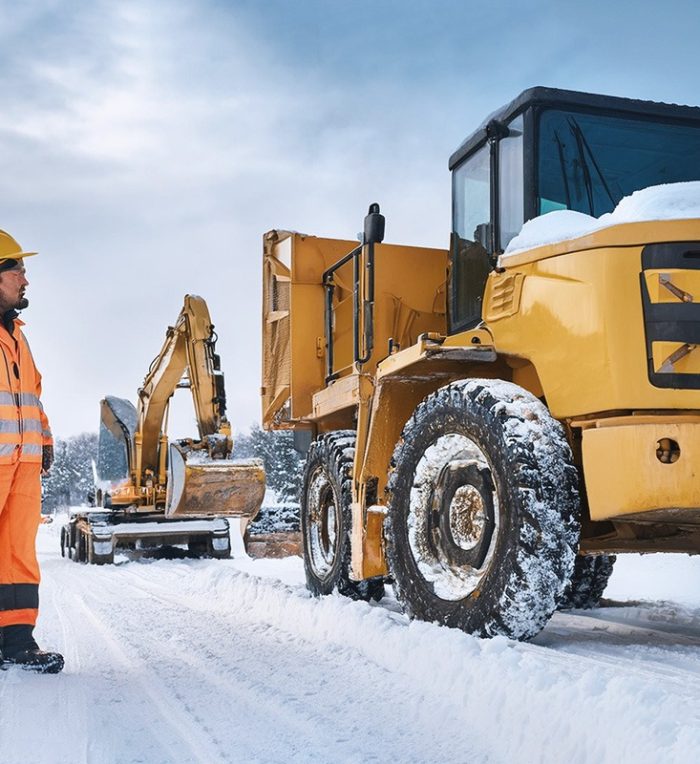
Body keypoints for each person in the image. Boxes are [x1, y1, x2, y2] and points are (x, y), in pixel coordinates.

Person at [0, 230, 63, 674]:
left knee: (18, 551)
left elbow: (31, 396)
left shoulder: (19, 337)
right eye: (17, 268)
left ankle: (17, 640)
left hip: (22, 465)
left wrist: (45, 439)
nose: (26, 278)